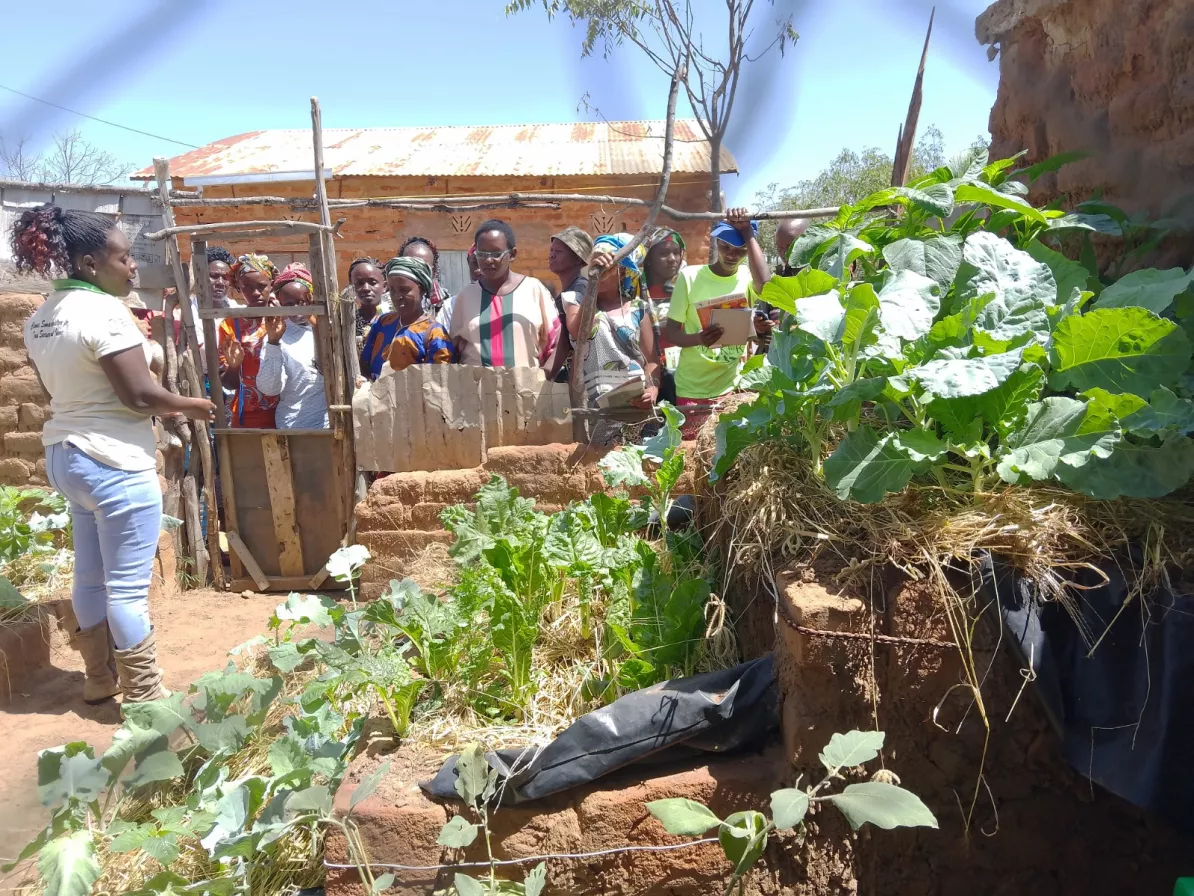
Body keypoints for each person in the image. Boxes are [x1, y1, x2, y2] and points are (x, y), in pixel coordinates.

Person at [11, 205, 214, 705]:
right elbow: (140, 397)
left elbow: (52, 391)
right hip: (113, 458)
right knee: (126, 587)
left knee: (90, 575)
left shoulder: (41, 318)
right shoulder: (104, 312)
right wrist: (195, 405)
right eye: (123, 259)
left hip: (67, 454)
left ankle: (100, 680)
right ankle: (146, 697)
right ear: (87, 263)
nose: (132, 268)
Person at [663, 209, 772, 438]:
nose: (731, 255)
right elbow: (672, 333)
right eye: (725, 247)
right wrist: (699, 339)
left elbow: (766, 287)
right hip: (693, 387)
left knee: (725, 451)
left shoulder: (746, 277)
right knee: (696, 454)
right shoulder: (690, 277)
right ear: (717, 242)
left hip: (731, 386)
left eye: (740, 250)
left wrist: (747, 232)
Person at [575, 233, 660, 442]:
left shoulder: (638, 309)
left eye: (608, 266)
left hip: (635, 408)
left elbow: (651, 361)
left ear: (622, 271)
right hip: (597, 412)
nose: (601, 270)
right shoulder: (582, 306)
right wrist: (593, 281)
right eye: (596, 265)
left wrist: (652, 389)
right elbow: (578, 331)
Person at [449, 219, 555, 368]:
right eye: (482, 254)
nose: (488, 260)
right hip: (476, 389)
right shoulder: (466, 296)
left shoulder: (534, 290)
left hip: (526, 389)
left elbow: (556, 343)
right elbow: (453, 350)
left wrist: (545, 377)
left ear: (512, 254)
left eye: (496, 253)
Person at [257, 264, 328, 430]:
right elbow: (269, 388)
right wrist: (273, 342)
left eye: (301, 302)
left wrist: (317, 325)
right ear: (280, 303)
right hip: (293, 424)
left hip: (328, 421)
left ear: (311, 298)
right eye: (289, 304)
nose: (296, 309)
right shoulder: (279, 333)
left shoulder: (327, 329)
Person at [359, 257, 453, 379]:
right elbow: (365, 363)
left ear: (422, 289)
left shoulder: (434, 334)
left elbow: (437, 381)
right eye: (392, 290)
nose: (397, 296)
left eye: (404, 290)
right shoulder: (383, 322)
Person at [219, 254, 279, 428]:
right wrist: (234, 366)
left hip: (285, 412)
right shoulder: (231, 325)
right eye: (247, 287)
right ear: (238, 288)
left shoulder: (285, 318)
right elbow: (229, 384)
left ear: (272, 284)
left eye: (262, 286)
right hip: (248, 416)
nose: (255, 293)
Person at [544, 225, 593, 376]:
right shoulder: (565, 293)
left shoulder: (580, 290)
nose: (551, 255)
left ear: (577, 258)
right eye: (551, 250)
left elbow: (568, 341)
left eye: (558, 252)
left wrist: (546, 375)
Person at [399, 236, 451, 318]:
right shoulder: (390, 302)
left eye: (424, 267)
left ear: (433, 270)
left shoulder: (447, 304)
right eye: (411, 266)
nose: (417, 273)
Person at [347, 257, 392, 342]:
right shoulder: (347, 322)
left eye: (373, 282)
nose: (366, 288)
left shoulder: (394, 319)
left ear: (385, 286)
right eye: (359, 283)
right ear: (351, 287)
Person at [644, 228, 686, 300]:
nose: (672, 259)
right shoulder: (635, 294)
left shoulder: (687, 292)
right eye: (664, 253)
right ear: (648, 258)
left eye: (676, 253)